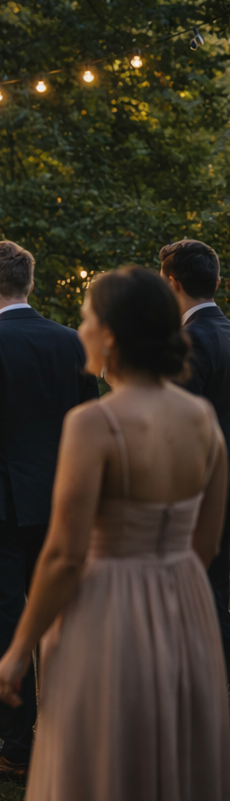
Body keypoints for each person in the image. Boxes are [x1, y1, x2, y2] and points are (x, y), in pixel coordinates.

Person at [0, 266, 230, 801]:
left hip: (109, 613)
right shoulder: (202, 420)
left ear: (113, 337)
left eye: (86, 319)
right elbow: (207, 543)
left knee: (102, 759)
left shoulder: (93, 423)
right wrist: (169, 588)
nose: (80, 331)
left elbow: (65, 556)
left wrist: (18, 651)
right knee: (172, 754)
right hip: (187, 609)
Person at [0, 240, 98, 778]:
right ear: (28, 284)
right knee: (62, 623)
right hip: (62, 503)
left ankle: (17, 749)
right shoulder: (73, 342)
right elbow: (91, 424)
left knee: (6, 624)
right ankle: (69, 738)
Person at [160, 239, 230, 669]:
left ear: (172, 283)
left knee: (204, 594)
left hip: (201, 492)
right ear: (217, 281)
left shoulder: (184, 343)